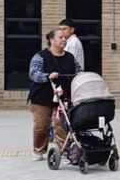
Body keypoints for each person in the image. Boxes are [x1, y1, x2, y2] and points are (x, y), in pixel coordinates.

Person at [27, 28, 81, 161]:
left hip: (63, 97)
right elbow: (33, 73)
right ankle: (39, 150)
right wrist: (47, 76)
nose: (64, 40)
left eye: (65, 38)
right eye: (60, 37)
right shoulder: (40, 56)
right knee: (41, 125)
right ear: (51, 40)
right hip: (42, 97)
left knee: (61, 124)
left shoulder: (70, 57)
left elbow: (79, 71)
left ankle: (64, 150)